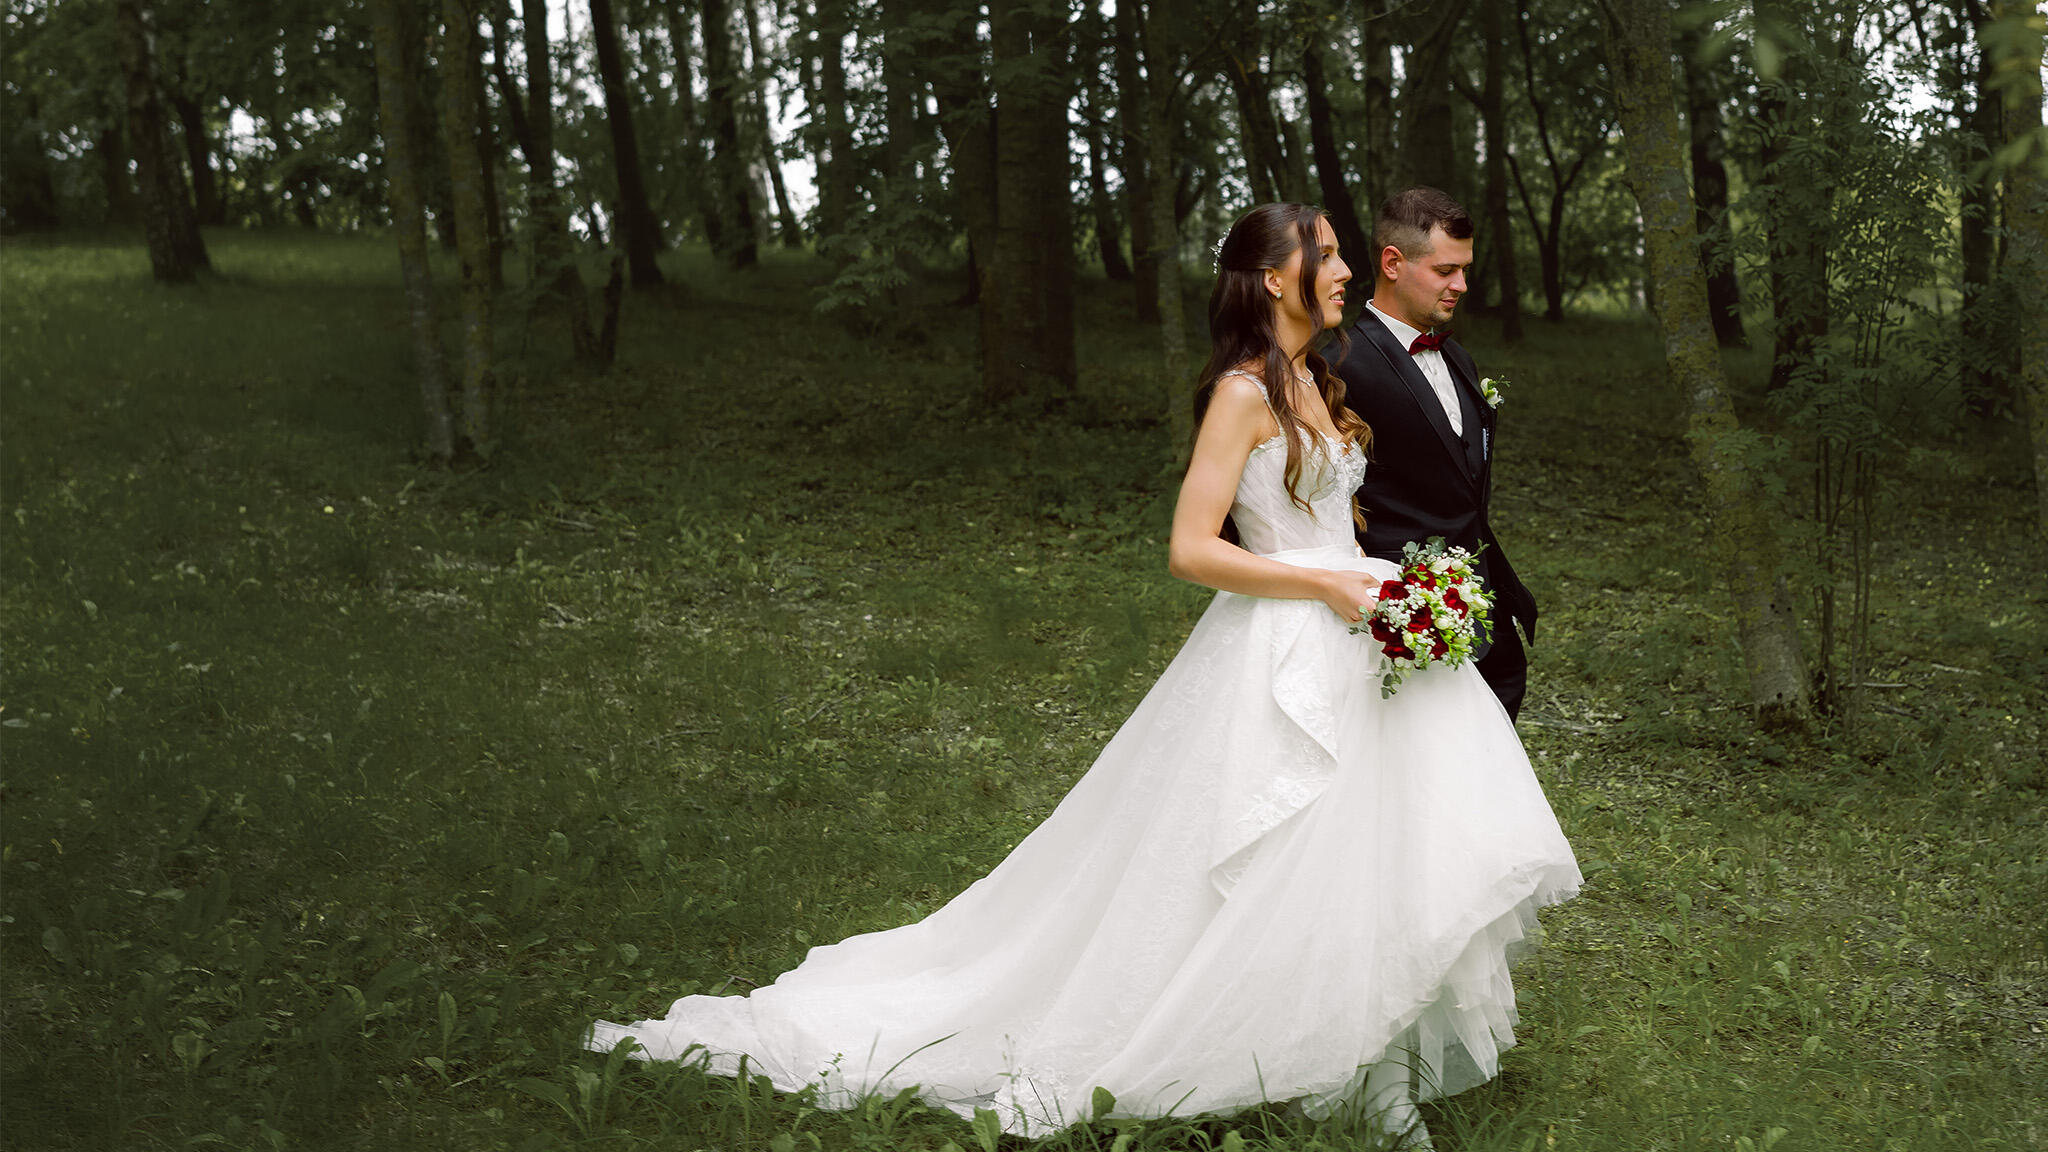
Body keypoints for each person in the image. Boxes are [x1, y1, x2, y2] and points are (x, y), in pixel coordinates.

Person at [586, 204, 1580, 1146]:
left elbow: (1330, 515)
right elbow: (1191, 548)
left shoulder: (1316, 379)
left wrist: (1390, 588)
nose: (1344, 269)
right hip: (1287, 637)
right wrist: (1321, 584)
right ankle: (1272, 1051)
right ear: (1274, 277)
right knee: (1274, 853)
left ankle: (1368, 1070)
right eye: (1324, 254)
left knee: (1375, 857)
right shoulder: (1242, 392)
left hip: (1355, 628)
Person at [1332, 187, 1540, 721]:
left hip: (1482, 605)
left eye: (1465, 270)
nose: (1462, 285)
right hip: (1403, 622)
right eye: (1446, 270)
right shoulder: (1338, 367)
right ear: (1393, 263)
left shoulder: (1460, 359)